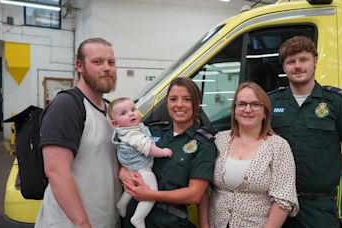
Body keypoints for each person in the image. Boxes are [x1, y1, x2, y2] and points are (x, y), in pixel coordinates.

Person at [268, 36, 342, 228]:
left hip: (318, 206)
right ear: (284, 67)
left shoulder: (338, 102)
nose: (297, 66)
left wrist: (327, 174)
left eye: (303, 60)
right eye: (291, 62)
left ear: (315, 61)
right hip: (275, 204)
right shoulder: (271, 103)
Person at [35, 38, 122, 228]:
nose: (107, 68)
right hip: (70, 223)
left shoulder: (110, 110)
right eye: (97, 62)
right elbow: (56, 171)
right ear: (79, 66)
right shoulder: (67, 106)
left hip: (102, 219)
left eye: (111, 62)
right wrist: (83, 224)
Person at [119, 77, 217, 228]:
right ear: (167, 103)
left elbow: (195, 194)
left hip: (168, 221)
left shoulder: (204, 144)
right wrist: (123, 172)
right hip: (133, 216)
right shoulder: (150, 131)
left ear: (196, 104)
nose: (179, 105)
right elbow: (125, 155)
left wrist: (151, 195)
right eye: (173, 99)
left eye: (186, 99)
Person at [199, 82, 299, 228]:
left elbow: (283, 198)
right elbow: (205, 188)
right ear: (234, 110)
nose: (247, 109)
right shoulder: (219, 140)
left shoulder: (278, 146)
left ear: (265, 112)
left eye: (255, 104)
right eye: (242, 104)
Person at [108, 97, 173, 227]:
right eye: (124, 113)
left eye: (133, 109)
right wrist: (163, 152)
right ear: (115, 124)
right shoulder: (132, 134)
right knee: (152, 191)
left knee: (133, 184)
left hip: (133, 166)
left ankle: (121, 203)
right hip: (141, 167)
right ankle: (138, 218)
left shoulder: (131, 129)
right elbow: (148, 148)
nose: (131, 113)